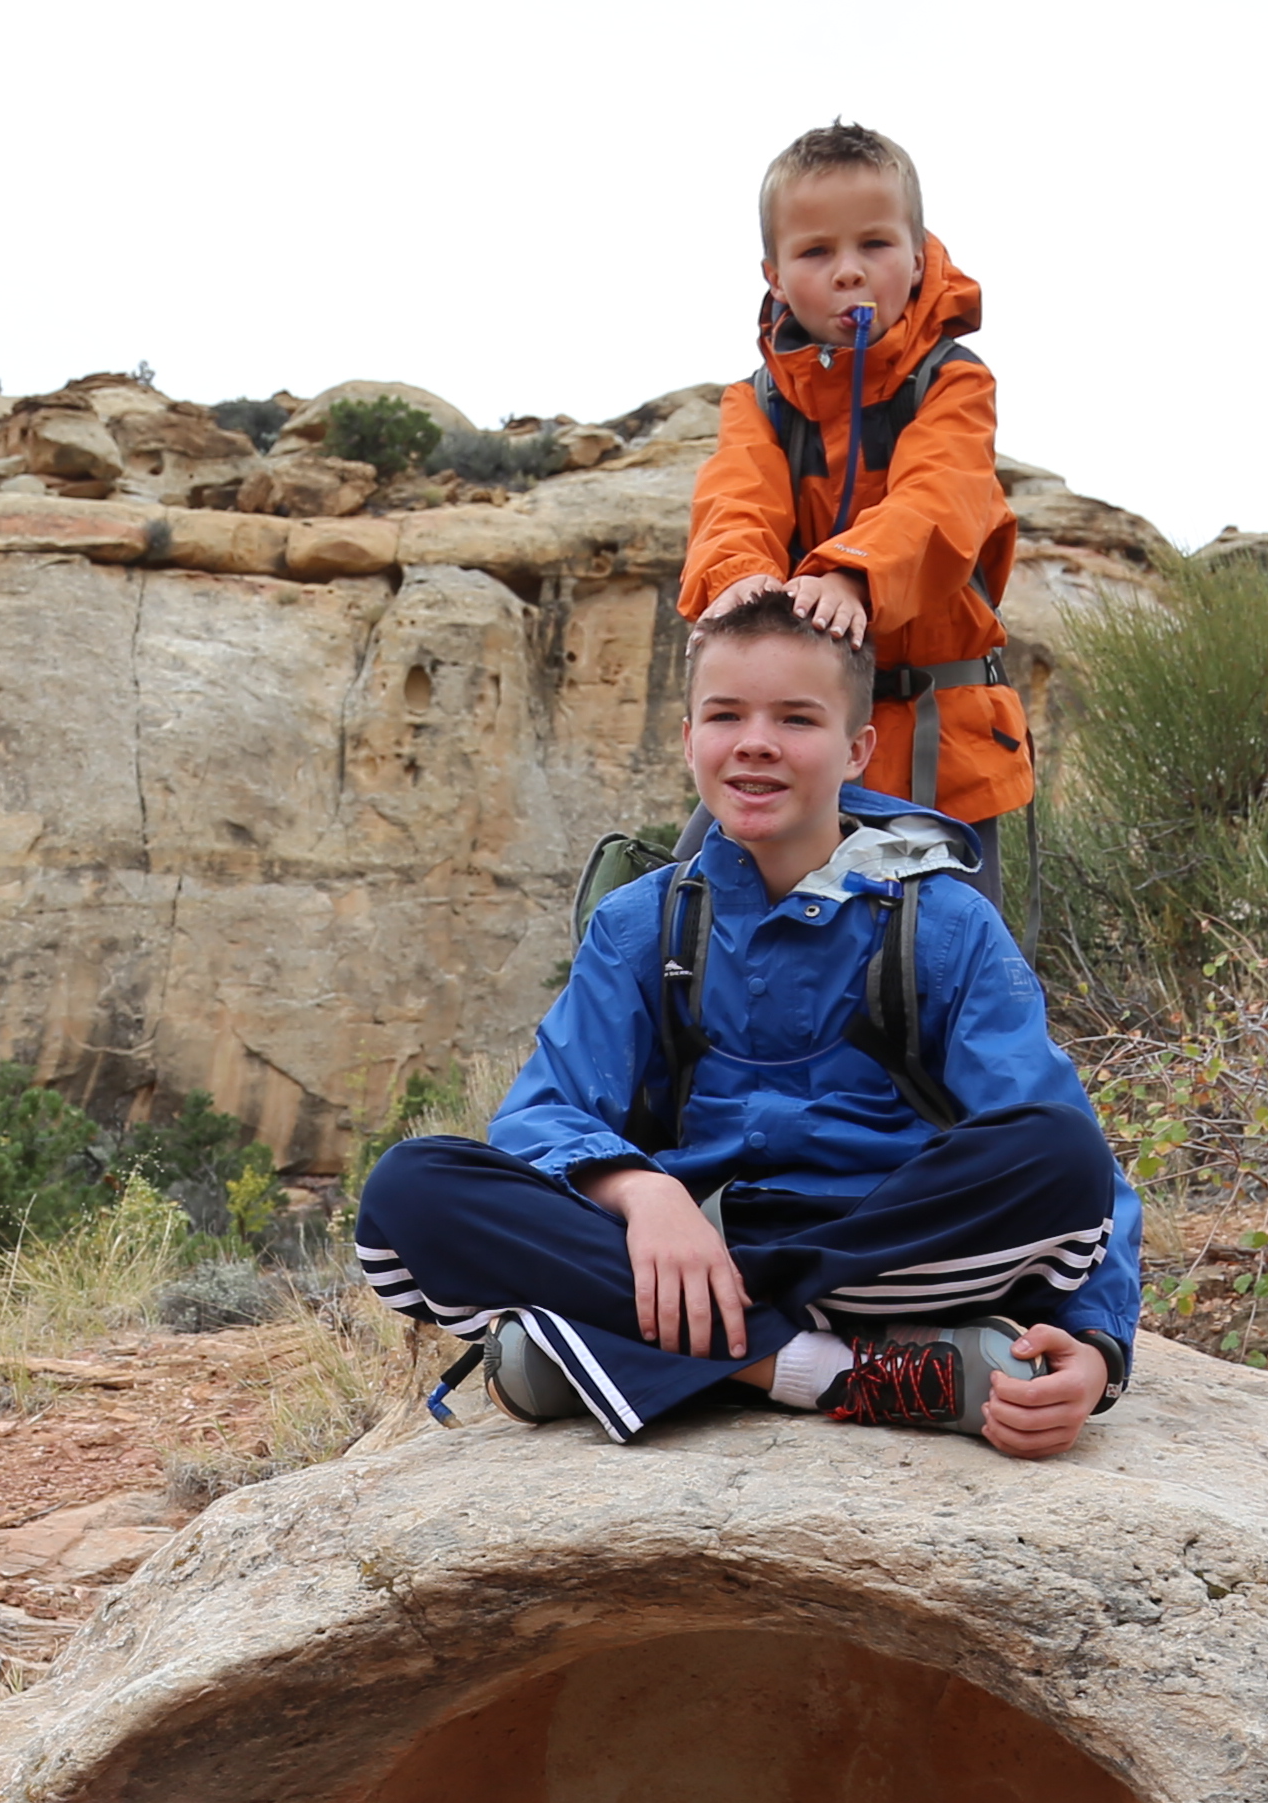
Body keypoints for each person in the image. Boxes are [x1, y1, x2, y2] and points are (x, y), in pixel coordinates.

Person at [348, 586, 1142, 1449]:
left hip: (874, 1247)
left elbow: (1067, 1151)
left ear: (856, 750)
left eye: (798, 720)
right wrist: (642, 1192)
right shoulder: (640, 924)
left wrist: (1098, 1346)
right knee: (409, 1190)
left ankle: (609, 1341)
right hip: (681, 1245)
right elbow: (542, 1113)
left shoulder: (943, 923)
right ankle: (822, 1370)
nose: (756, 743)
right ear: (690, 739)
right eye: (725, 715)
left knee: (1059, 1155)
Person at [681, 118, 1032, 832]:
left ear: (917, 256)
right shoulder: (759, 402)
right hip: (797, 757)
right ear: (775, 276)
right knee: (695, 905)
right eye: (816, 251)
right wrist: (736, 576)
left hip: (941, 761)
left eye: (874, 244)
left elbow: (941, 500)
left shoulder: (953, 385)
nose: (849, 270)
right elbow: (734, 499)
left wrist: (851, 576)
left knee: (955, 941)